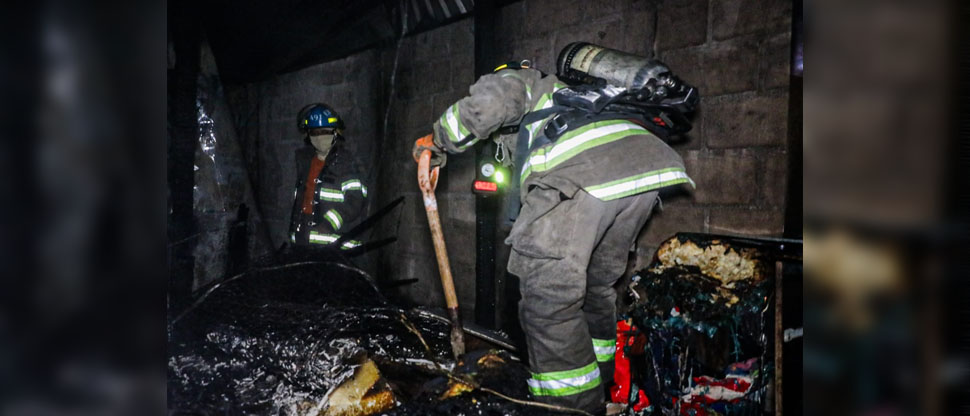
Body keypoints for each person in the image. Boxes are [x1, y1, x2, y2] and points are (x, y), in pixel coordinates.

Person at [412, 49, 697, 414]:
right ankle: (601, 387)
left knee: (548, 298)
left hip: (583, 176)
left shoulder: (523, 79)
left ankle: (570, 407)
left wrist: (435, 141)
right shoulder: (583, 101)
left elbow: (487, 105)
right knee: (595, 289)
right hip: (646, 173)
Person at [289, 103, 368, 250]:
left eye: (325, 131)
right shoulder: (304, 163)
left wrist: (329, 222)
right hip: (303, 243)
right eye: (315, 133)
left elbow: (356, 201)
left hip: (336, 247)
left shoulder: (347, 163)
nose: (320, 138)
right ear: (308, 135)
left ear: (336, 133)